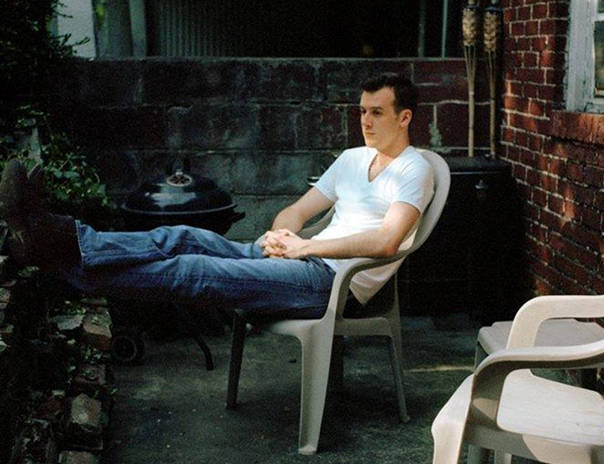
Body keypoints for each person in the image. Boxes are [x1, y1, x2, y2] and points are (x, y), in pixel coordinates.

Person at [0, 74, 434, 318]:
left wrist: (306, 247)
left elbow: (387, 242)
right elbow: (297, 211)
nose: (365, 121)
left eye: (377, 113)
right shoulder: (354, 158)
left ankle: (55, 256)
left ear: (404, 118)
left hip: (332, 284)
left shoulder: (416, 169)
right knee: (182, 236)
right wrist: (281, 235)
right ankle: (60, 235)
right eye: (362, 111)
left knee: (192, 270)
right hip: (297, 261)